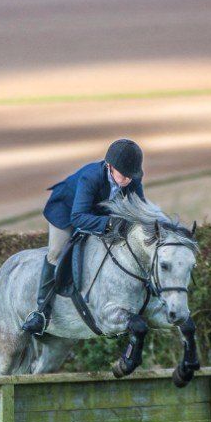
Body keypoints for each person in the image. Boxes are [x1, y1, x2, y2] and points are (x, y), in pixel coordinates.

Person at [21, 138, 147, 336]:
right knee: (56, 252)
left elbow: (141, 210)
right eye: (123, 175)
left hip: (98, 213)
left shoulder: (132, 178)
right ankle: (41, 312)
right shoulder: (91, 177)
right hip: (67, 211)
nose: (127, 180)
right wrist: (110, 223)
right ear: (109, 166)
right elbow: (78, 217)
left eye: (131, 176)